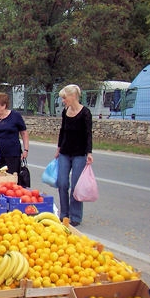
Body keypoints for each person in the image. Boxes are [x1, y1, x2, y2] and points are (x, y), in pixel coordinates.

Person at [55, 84, 93, 227]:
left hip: (79, 153)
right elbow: (62, 131)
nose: (63, 101)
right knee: (62, 183)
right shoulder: (65, 112)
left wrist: (89, 152)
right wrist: (58, 148)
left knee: (76, 186)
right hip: (65, 152)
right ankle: (64, 214)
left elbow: (88, 134)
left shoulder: (85, 113)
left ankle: (75, 216)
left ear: (73, 96)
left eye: (65, 98)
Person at [0, 92, 29, 182]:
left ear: (4, 106)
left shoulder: (15, 116)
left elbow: (24, 133)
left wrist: (26, 149)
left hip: (12, 154)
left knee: (11, 179)